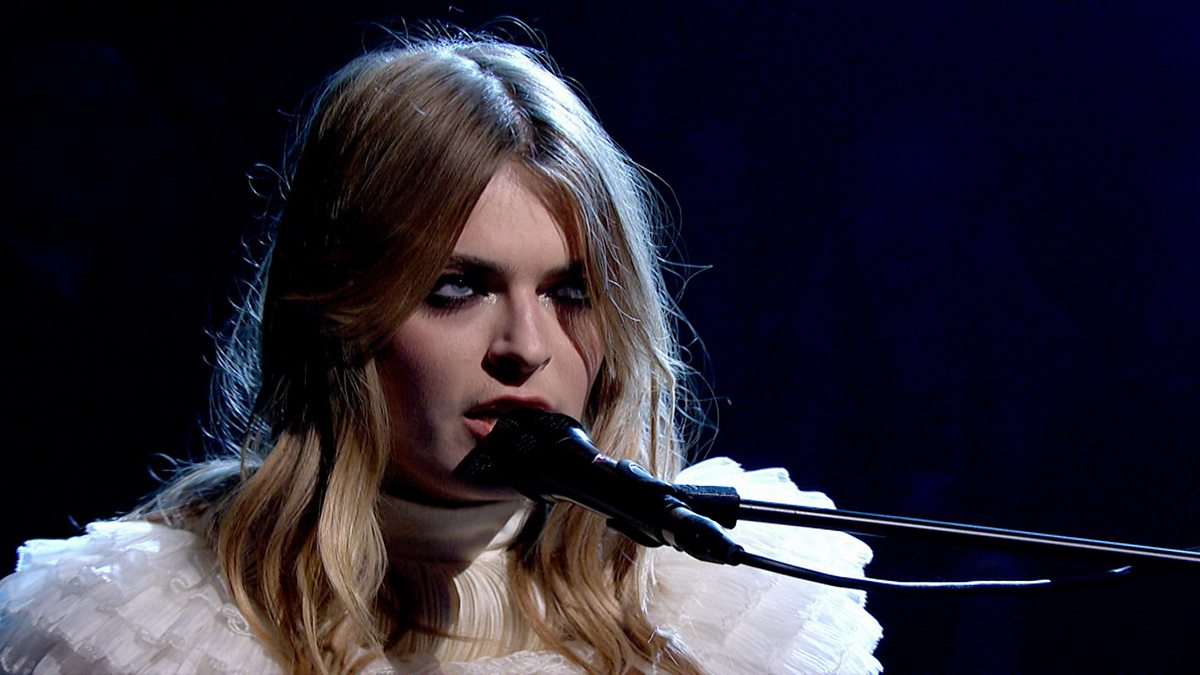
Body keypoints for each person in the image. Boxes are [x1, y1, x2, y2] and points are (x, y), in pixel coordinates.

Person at [0, 35, 882, 674]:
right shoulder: (148, 630)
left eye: (571, 291)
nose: (526, 347)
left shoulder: (729, 615)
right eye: (457, 288)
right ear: (340, 311)